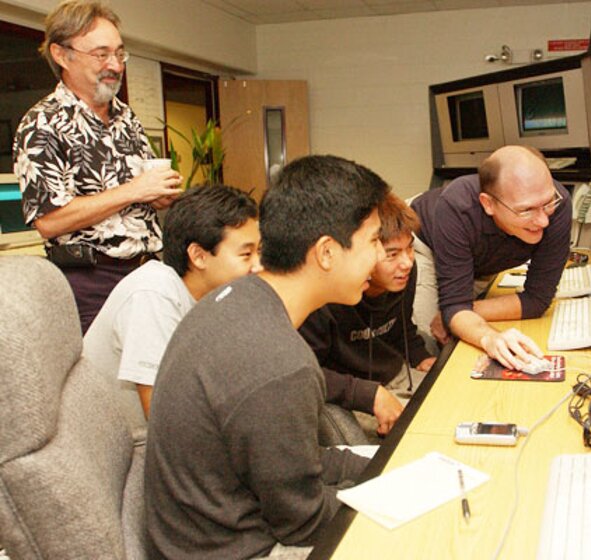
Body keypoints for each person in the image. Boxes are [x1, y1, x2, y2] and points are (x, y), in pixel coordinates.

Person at [144, 155, 389, 559]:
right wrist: (391, 490)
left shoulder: (236, 297)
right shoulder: (279, 363)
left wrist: (385, 465)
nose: (379, 257)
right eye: (374, 240)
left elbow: (296, 464)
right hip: (236, 550)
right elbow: (304, 521)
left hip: (209, 525)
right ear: (327, 252)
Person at [13, 0, 182, 333]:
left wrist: (156, 196)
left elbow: (139, 194)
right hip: (92, 284)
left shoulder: (126, 117)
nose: (115, 65)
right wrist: (134, 190)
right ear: (62, 54)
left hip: (147, 269)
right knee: (108, 382)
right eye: (101, 54)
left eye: (119, 54)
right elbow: (49, 221)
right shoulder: (42, 124)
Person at [83, 185, 260, 433]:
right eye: (246, 254)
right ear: (198, 256)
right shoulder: (153, 293)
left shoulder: (212, 298)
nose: (258, 265)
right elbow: (164, 418)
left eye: (259, 252)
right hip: (131, 446)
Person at [410, 145, 572, 370]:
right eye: (526, 211)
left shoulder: (559, 202)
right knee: (428, 343)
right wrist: (485, 334)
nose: (543, 221)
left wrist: (456, 313)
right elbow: (456, 305)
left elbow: (537, 300)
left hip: (479, 259)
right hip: (424, 242)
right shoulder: (457, 206)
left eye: (547, 204)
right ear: (488, 204)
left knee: (458, 323)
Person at [300, 193, 436, 440]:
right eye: (392, 254)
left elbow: (400, 326)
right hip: (344, 392)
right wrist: (368, 394)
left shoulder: (402, 274)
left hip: (390, 374)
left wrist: (420, 356)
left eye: (410, 249)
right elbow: (305, 374)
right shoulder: (323, 295)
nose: (406, 263)